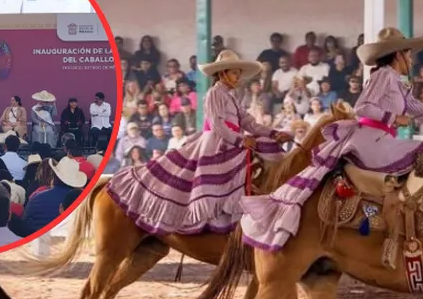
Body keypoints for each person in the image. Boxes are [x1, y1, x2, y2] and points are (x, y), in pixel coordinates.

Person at [241, 27, 423, 252]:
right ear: (398, 55)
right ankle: (404, 209)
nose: (411, 59)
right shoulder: (384, 75)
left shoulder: (399, 84)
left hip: (382, 139)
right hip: (373, 142)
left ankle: (412, 210)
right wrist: (393, 118)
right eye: (408, 54)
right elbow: (362, 107)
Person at [108, 49, 293, 235]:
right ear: (223, 73)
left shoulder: (232, 97)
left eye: (239, 73)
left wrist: (274, 134)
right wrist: (240, 140)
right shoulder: (214, 93)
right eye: (235, 72)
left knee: (267, 149)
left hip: (232, 141)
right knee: (210, 178)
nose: (238, 77)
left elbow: (248, 122)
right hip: (217, 142)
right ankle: (211, 219)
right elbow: (218, 125)